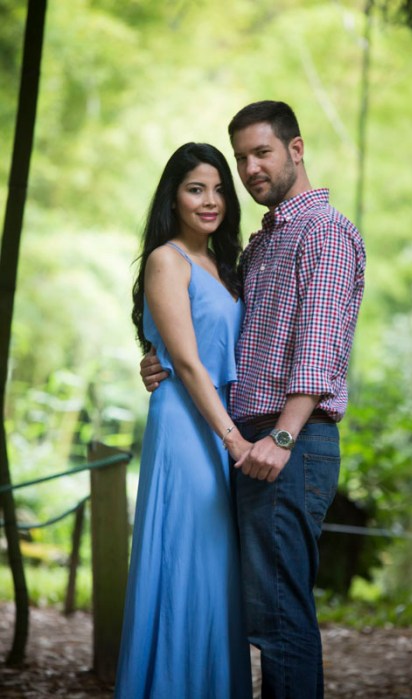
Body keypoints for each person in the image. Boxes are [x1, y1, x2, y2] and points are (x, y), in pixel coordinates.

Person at [140, 101, 366, 699]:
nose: (249, 169)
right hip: (243, 442)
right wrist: (159, 361)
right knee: (264, 614)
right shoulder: (259, 246)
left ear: (296, 149)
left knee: (280, 618)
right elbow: (212, 340)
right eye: (241, 158)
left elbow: (319, 347)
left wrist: (282, 437)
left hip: (284, 442)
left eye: (261, 153)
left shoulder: (323, 232)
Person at [115, 142, 253, 698]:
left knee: (218, 572)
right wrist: (235, 442)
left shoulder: (227, 266)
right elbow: (189, 363)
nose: (210, 200)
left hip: (221, 422)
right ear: (172, 197)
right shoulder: (166, 260)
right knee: (187, 562)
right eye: (196, 189)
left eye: (219, 189)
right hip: (189, 427)